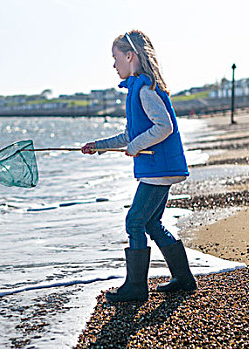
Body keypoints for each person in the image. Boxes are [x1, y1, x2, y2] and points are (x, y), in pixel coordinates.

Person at [81, 30, 197, 303]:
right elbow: (130, 135)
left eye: (116, 57)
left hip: (158, 169)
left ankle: (136, 287)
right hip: (160, 169)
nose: (113, 65)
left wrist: (134, 147)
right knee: (152, 223)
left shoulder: (145, 89)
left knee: (134, 221)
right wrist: (99, 145)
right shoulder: (137, 89)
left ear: (130, 56)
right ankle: (183, 278)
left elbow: (164, 126)